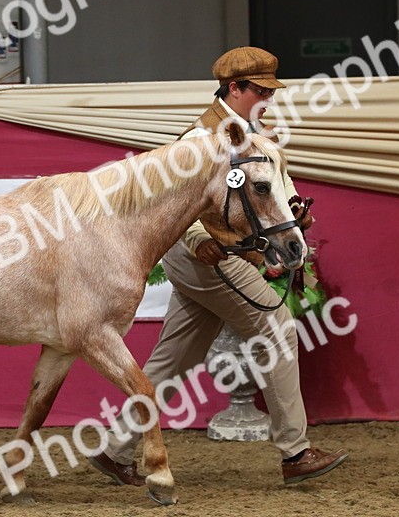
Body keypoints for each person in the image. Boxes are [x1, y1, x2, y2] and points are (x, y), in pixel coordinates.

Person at [90, 46, 349, 488]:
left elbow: (273, 193)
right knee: (278, 327)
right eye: (261, 90)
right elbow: (170, 203)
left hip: (215, 253)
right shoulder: (200, 141)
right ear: (235, 88)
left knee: (174, 359)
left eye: (271, 89)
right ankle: (295, 451)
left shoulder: (256, 136)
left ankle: (114, 449)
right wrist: (197, 238)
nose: (269, 98)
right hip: (208, 254)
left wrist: (294, 216)